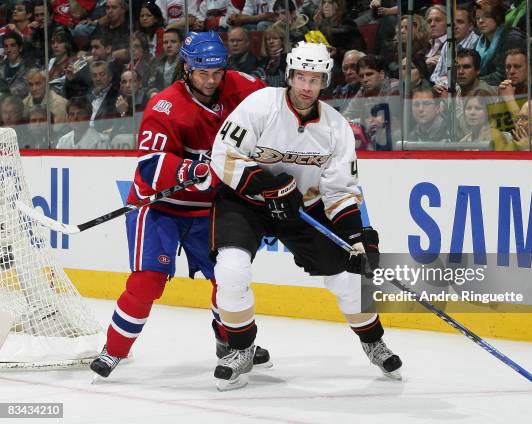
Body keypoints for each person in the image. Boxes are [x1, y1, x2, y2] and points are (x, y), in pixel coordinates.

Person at [209, 41, 402, 390]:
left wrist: (357, 238)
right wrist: (267, 185)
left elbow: (340, 190)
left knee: (347, 277)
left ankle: (373, 340)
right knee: (231, 269)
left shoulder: (335, 127)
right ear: (290, 75)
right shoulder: (261, 105)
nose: (306, 86)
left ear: (325, 81)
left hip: (303, 208)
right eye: (300, 77)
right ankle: (241, 348)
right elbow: (223, 153)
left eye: (315, 79)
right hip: (246, 203)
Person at [89, 31, 269, 378]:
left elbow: (276, 105)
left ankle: (230, 342)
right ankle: (114, 350)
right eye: (203, 72)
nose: (211, 80)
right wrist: (191, 168)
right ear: (186, 69)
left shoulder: (241, 87)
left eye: (217, 72)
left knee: (228, 278)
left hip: (207, 208)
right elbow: (151, 165)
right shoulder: (165, 106)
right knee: (148, 281)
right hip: (158, 206)